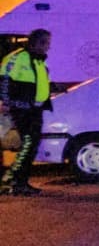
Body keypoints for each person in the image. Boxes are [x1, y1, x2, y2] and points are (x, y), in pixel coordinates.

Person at [0, 29, 52, 197]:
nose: (48, 47)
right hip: (22, 109)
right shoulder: (18, 58)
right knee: (29, 144)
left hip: (35, 110)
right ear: (36, 43)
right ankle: (14, 181)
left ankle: (18, 181)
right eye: (46, 43)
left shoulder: (39, 61)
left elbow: (39, 84)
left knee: (31, 145)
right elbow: (4, 80)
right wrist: (7, 102)